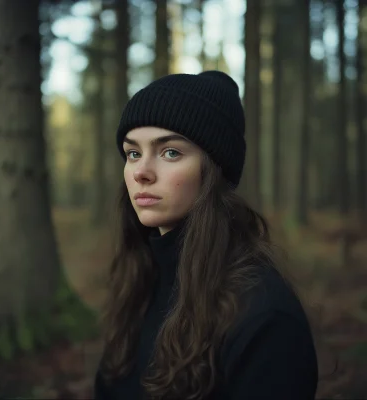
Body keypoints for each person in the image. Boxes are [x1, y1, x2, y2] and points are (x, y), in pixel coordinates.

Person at [94, 71, 318, 400]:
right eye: (133, 153)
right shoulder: (139, 279)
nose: (141, 171)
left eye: (170, 152)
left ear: (214, 170)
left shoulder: (265, 316)